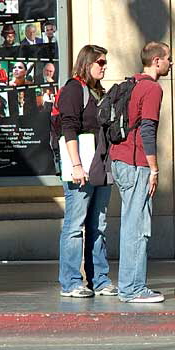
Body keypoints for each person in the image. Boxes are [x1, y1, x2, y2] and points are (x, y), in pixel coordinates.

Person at [110, 41, 172, 303]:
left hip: (119, 161)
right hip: (136, 164)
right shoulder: (152, 88)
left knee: (130, 223)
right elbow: (147, 130)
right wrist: (154, 168)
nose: (171, 63)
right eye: (169, 58)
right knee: (137, 227)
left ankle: (130, 285)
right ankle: (132, 288)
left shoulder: (131, 83)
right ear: (156, 61)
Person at [58, 44, 117, 299]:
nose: (104, 66)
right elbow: (68, 127)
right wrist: (76, 165)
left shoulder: (99, 92)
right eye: (100, 62)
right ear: (87, 63)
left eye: (105, 62)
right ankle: (71, 282)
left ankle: (99, 279)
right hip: (82, 166)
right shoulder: (74, 89)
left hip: (101, 165)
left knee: (99, 225)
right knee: (75, 225)